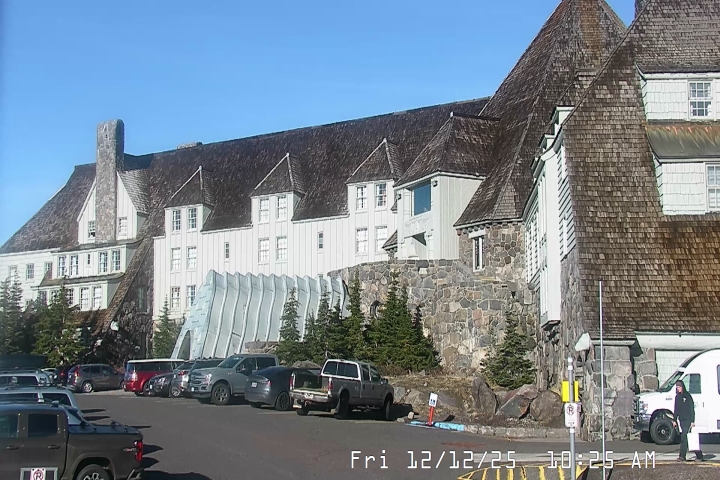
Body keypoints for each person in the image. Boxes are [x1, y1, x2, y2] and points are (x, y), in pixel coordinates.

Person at [672, 379, 703, 461]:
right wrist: (674, 420)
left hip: (688, 420)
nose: (678, 388)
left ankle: (682, 456)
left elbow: (691, 409)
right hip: (681, 420)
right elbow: (676, 409)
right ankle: (699, 455)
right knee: (688, 439)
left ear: (682, 387)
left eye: (679, 387)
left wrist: (692, 421)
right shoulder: (677, 397)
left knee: (684, 438)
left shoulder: (687, 396)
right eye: (677, 387)